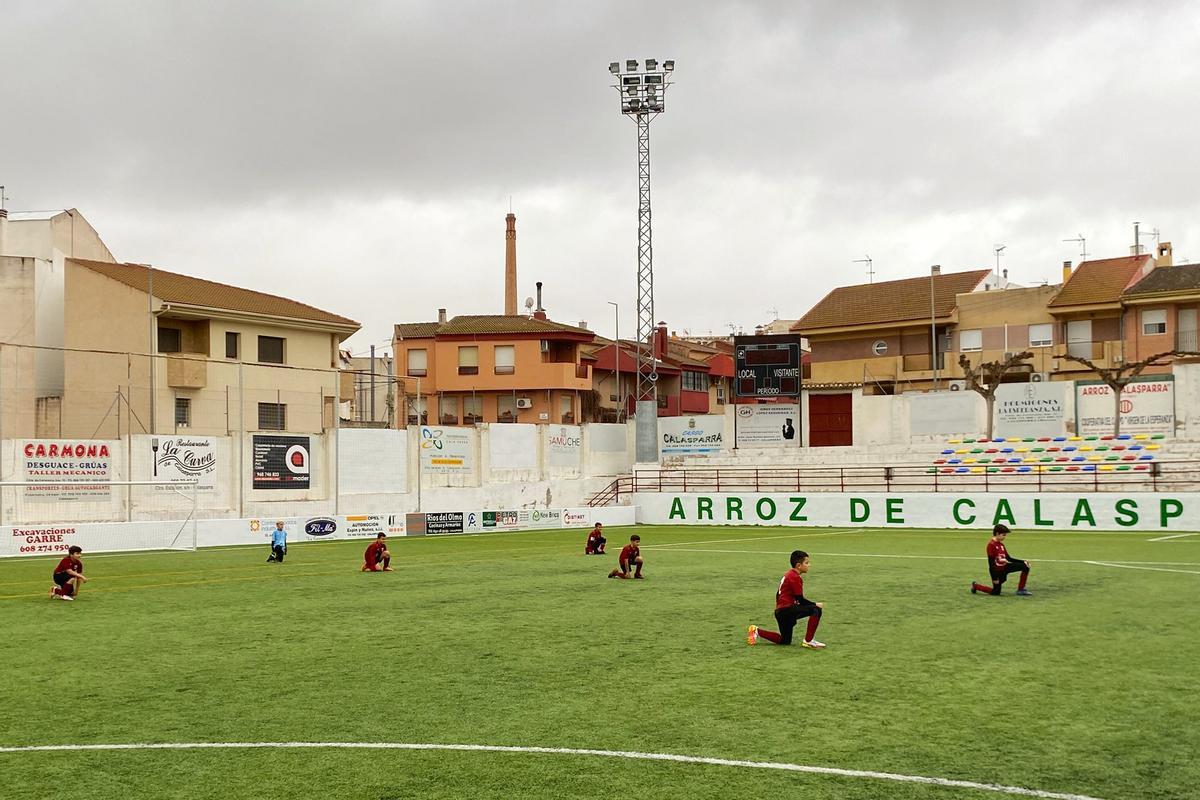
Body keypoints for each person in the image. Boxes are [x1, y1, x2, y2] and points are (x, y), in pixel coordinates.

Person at [747, 550, 825, 649]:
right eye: (807, 563)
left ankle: (756, 631)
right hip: (787, 610)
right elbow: (800, 599)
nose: (809, 565)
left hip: (781, 612)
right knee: (816, 610)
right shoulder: (794, 577)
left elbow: (778, 595)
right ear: (798, 565)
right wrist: (815, 604)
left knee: (785, 641)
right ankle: (808, 641)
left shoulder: (789, 574)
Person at [972, 524, 1032, 596]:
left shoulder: (1001, 545)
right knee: (996, 592)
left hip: (1005, 567)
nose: (1005, 537)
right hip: (997, 571)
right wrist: (994, 577)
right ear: (997, 533)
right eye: (1003, 535)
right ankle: (975, 586)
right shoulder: (991, 545)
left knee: (1025, 566)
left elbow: (1008, 558)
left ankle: (1021, 589)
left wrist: (1023, 561)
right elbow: (991, 563)